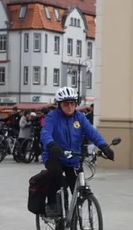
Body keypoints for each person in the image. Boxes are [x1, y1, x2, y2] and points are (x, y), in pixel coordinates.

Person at [39, 86, 113, 218]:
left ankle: (73, 219)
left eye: (72, 103)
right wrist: (51, 144)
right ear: (59, 105)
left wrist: (104, 146)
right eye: (66, 104)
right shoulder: (52, 117)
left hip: (73, 158)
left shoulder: (80, 117)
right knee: (55, 175)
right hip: (54, 155)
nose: (69, 106)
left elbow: (92, 132)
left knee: (77, 187)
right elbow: (45, 133)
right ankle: (51, 204)